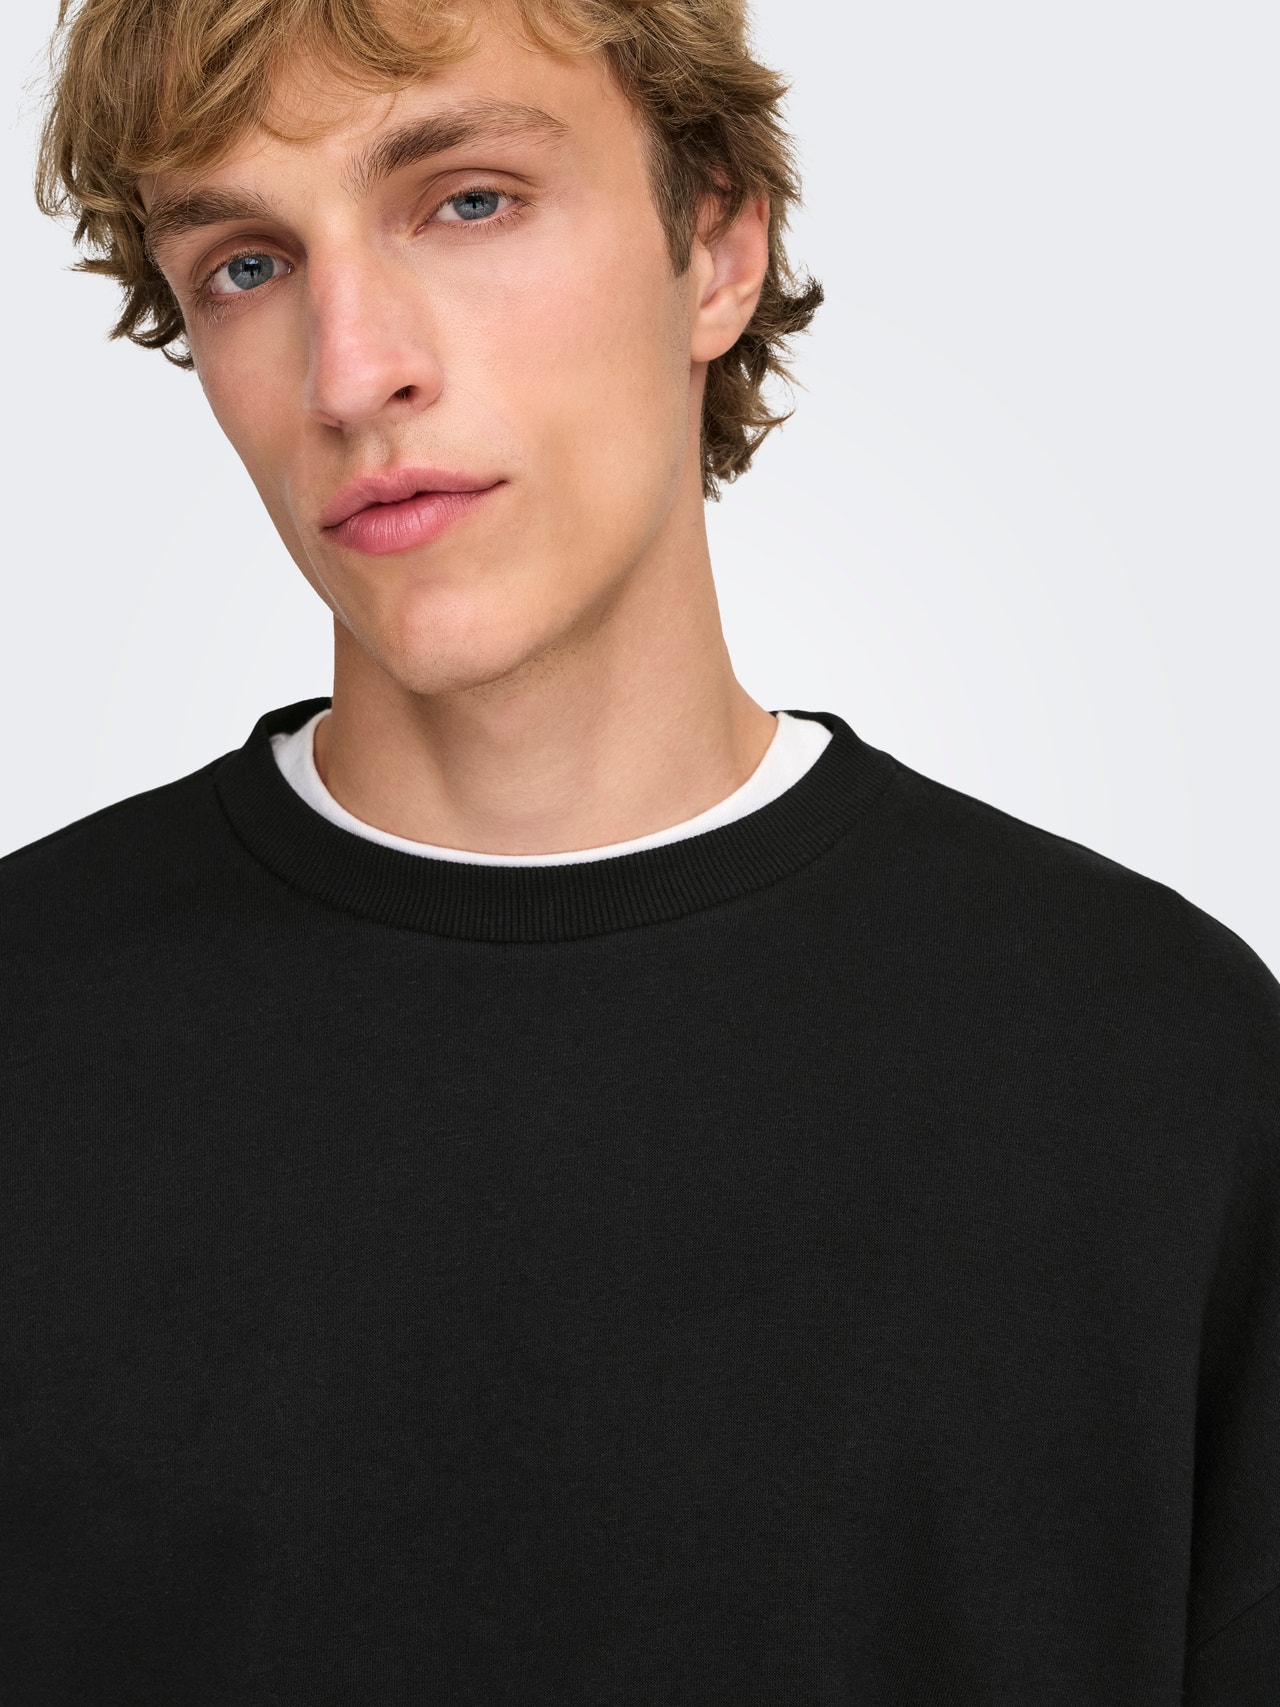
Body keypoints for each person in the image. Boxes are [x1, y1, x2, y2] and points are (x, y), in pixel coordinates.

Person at [5, 0, 1276, 1699]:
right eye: (246, 264)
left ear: (719, 248)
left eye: (468, 199)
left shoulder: (1156, 1065)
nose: (351, 371)